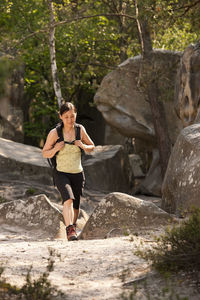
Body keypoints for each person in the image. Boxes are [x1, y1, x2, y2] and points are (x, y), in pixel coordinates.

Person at [42, 102, 95, 241]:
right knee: (68, 200)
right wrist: (55, 149)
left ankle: (73, 226)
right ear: (60, 117)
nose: (70, 120)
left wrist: (82, 145)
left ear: (76, 114)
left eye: (72, 116)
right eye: (66, 117)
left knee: (75, 205)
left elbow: (92, 147)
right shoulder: (55, 133)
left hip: (78, 173)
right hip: (61, 173)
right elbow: (45, 153)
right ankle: (70, 230)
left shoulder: (80, 130)